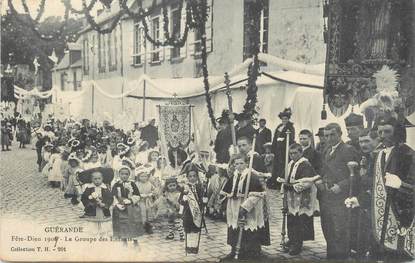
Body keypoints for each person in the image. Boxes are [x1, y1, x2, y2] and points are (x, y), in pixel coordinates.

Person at [370, 116, 414, 260]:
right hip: (380, 214)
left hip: (401, 212)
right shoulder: (378, 154)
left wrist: (401, 185)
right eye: (380, 132)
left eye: (387, 132)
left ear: (397, 132)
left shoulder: (408, 154)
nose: (382, 136)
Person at [317, 123, 360, 260]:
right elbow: (323, 170)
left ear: (340, 134)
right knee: (327, 227)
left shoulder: (348, 150)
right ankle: (331, 256)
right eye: (326, 135)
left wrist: (341, 186)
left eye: (332, 135)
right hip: (326, 195)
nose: (329, 138)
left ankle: (340, 258)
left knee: (340, 230)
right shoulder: (326, 149)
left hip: (340, 197)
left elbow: (356, 175)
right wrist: (319, 180)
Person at [220, 154, 270, 260]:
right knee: (234, 226)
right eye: (236, 164)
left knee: (249, 227)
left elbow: (257, 195)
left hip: (248, 207)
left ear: (247, 164)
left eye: (241, 163)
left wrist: (245, 207)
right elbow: (227, 191)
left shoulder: (252, 176)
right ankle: (235, 250)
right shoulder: (234, 176)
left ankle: (252, 252)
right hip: (234, 206)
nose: (238, 166)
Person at [344, 128, 380, 259]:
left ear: (377, 140)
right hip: (364, 205)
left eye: (367, 141)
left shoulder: (380, 157)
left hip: (376, 206)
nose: (363, 145)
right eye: (361, 142)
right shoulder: (366, 157)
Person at [278, 143, 318, 255]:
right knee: (291, 218)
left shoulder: (305, 164)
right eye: (290, 153)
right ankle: (292, 239)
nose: (292, 155)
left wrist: (289, 186)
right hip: (291, 197)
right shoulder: (290, 164)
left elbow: (306, 183)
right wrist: (284, 191)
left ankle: (297, 244)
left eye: (295, 153)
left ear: (301, 153)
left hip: (303, 198)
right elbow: (284, 179)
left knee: (300, 221)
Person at [112, 165, 144, 247]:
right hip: (120, 207)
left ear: (129, 175)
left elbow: (137, 195)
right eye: (122, 174)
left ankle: (135, 241)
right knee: (122, 224)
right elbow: (113, 196)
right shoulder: (116, 184)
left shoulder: (132, 184)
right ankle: (124, 240)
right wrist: (117, 204)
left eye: (126, 174)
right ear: (119, 174)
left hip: (131, 207)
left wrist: (130, 200)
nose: (124, 176)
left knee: (132, 223)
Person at [180, 164, 207, 254]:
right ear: (187, 177)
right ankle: (189, 246)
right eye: (190, 176)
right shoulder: (185, 188)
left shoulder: (200, 187)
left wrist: (204, 201)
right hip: (188, 213)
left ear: (197, 176)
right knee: (189, 229)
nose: (192, 178)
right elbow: (180, 201)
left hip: (197, 212)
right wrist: (184, 198)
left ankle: (194, 247)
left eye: (194, 176)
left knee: (196, 229)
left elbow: (202, 199)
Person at [79, 168, 114, 235]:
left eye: (99, 178)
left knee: (103, 222)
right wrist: (89, 203)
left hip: (102, 209)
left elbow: (110, 198)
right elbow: (84, 198)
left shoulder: (105, 188)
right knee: (93, 223)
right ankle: (94, 232)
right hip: (92, 209)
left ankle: (102, 232)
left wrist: (105, 204)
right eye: (95, 179)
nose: (97, 181)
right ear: (92, 180)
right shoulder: (89, 188)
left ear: (102, 179)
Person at [271, 108, 295, 189]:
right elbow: (275, 137)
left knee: (283, 165)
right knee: (276, 165)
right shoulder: (279, 127)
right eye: (283, 119)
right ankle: (275, 182)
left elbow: (291, 138)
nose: (284, 120)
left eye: (286, 119)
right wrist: (273, 148)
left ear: (288, 119)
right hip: (277, 149)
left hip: (284, 150)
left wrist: (282, 140)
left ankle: (282, 183)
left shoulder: (290, 127)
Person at [154, 177, 185, 241]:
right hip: (168, 210)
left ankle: (181, 234)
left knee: (177, 223)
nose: (172, 187)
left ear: (176, 185)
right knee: (170, 222)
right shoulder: (166, 193)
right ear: (167, 186)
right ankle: (171, 234)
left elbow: (177, 203)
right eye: (170, 186)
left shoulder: (178, 194)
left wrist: (169, 200)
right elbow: (162, 199)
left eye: (174, 185)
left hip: (175, 210)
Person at [136, 166, 156, 234]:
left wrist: (151, 194)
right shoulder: (137, 184)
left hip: (148, 200)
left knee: (149, 212)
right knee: (142, 213)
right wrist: (141, 195)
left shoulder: (149, 183)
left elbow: (154, 190)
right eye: (142, 176)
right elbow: (136, 193)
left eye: (145, 176)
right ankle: (142, 225)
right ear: (138, 177)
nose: (144, 178)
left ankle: (148, 225)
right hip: (141, 201)